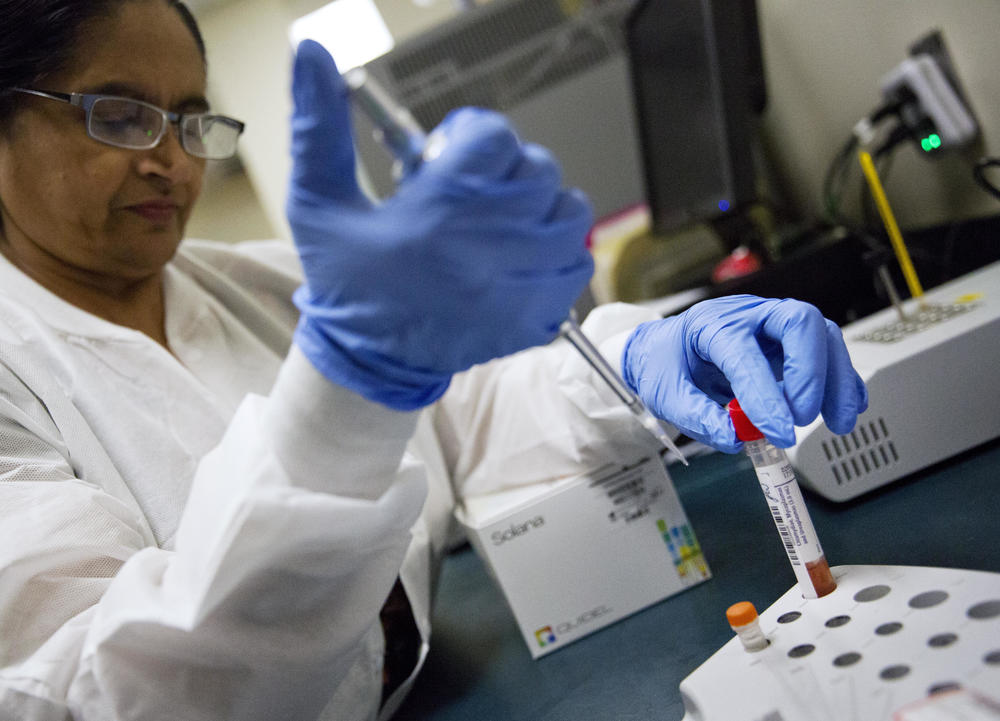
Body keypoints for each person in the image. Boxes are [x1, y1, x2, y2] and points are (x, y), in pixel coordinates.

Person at [0, 1, 868, 719]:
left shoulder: (254, 282)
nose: (169, 159)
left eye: (192, 120)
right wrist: (349, 383)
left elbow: (464, 414)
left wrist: (639, 357)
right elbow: (97, 693)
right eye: (117, 114)